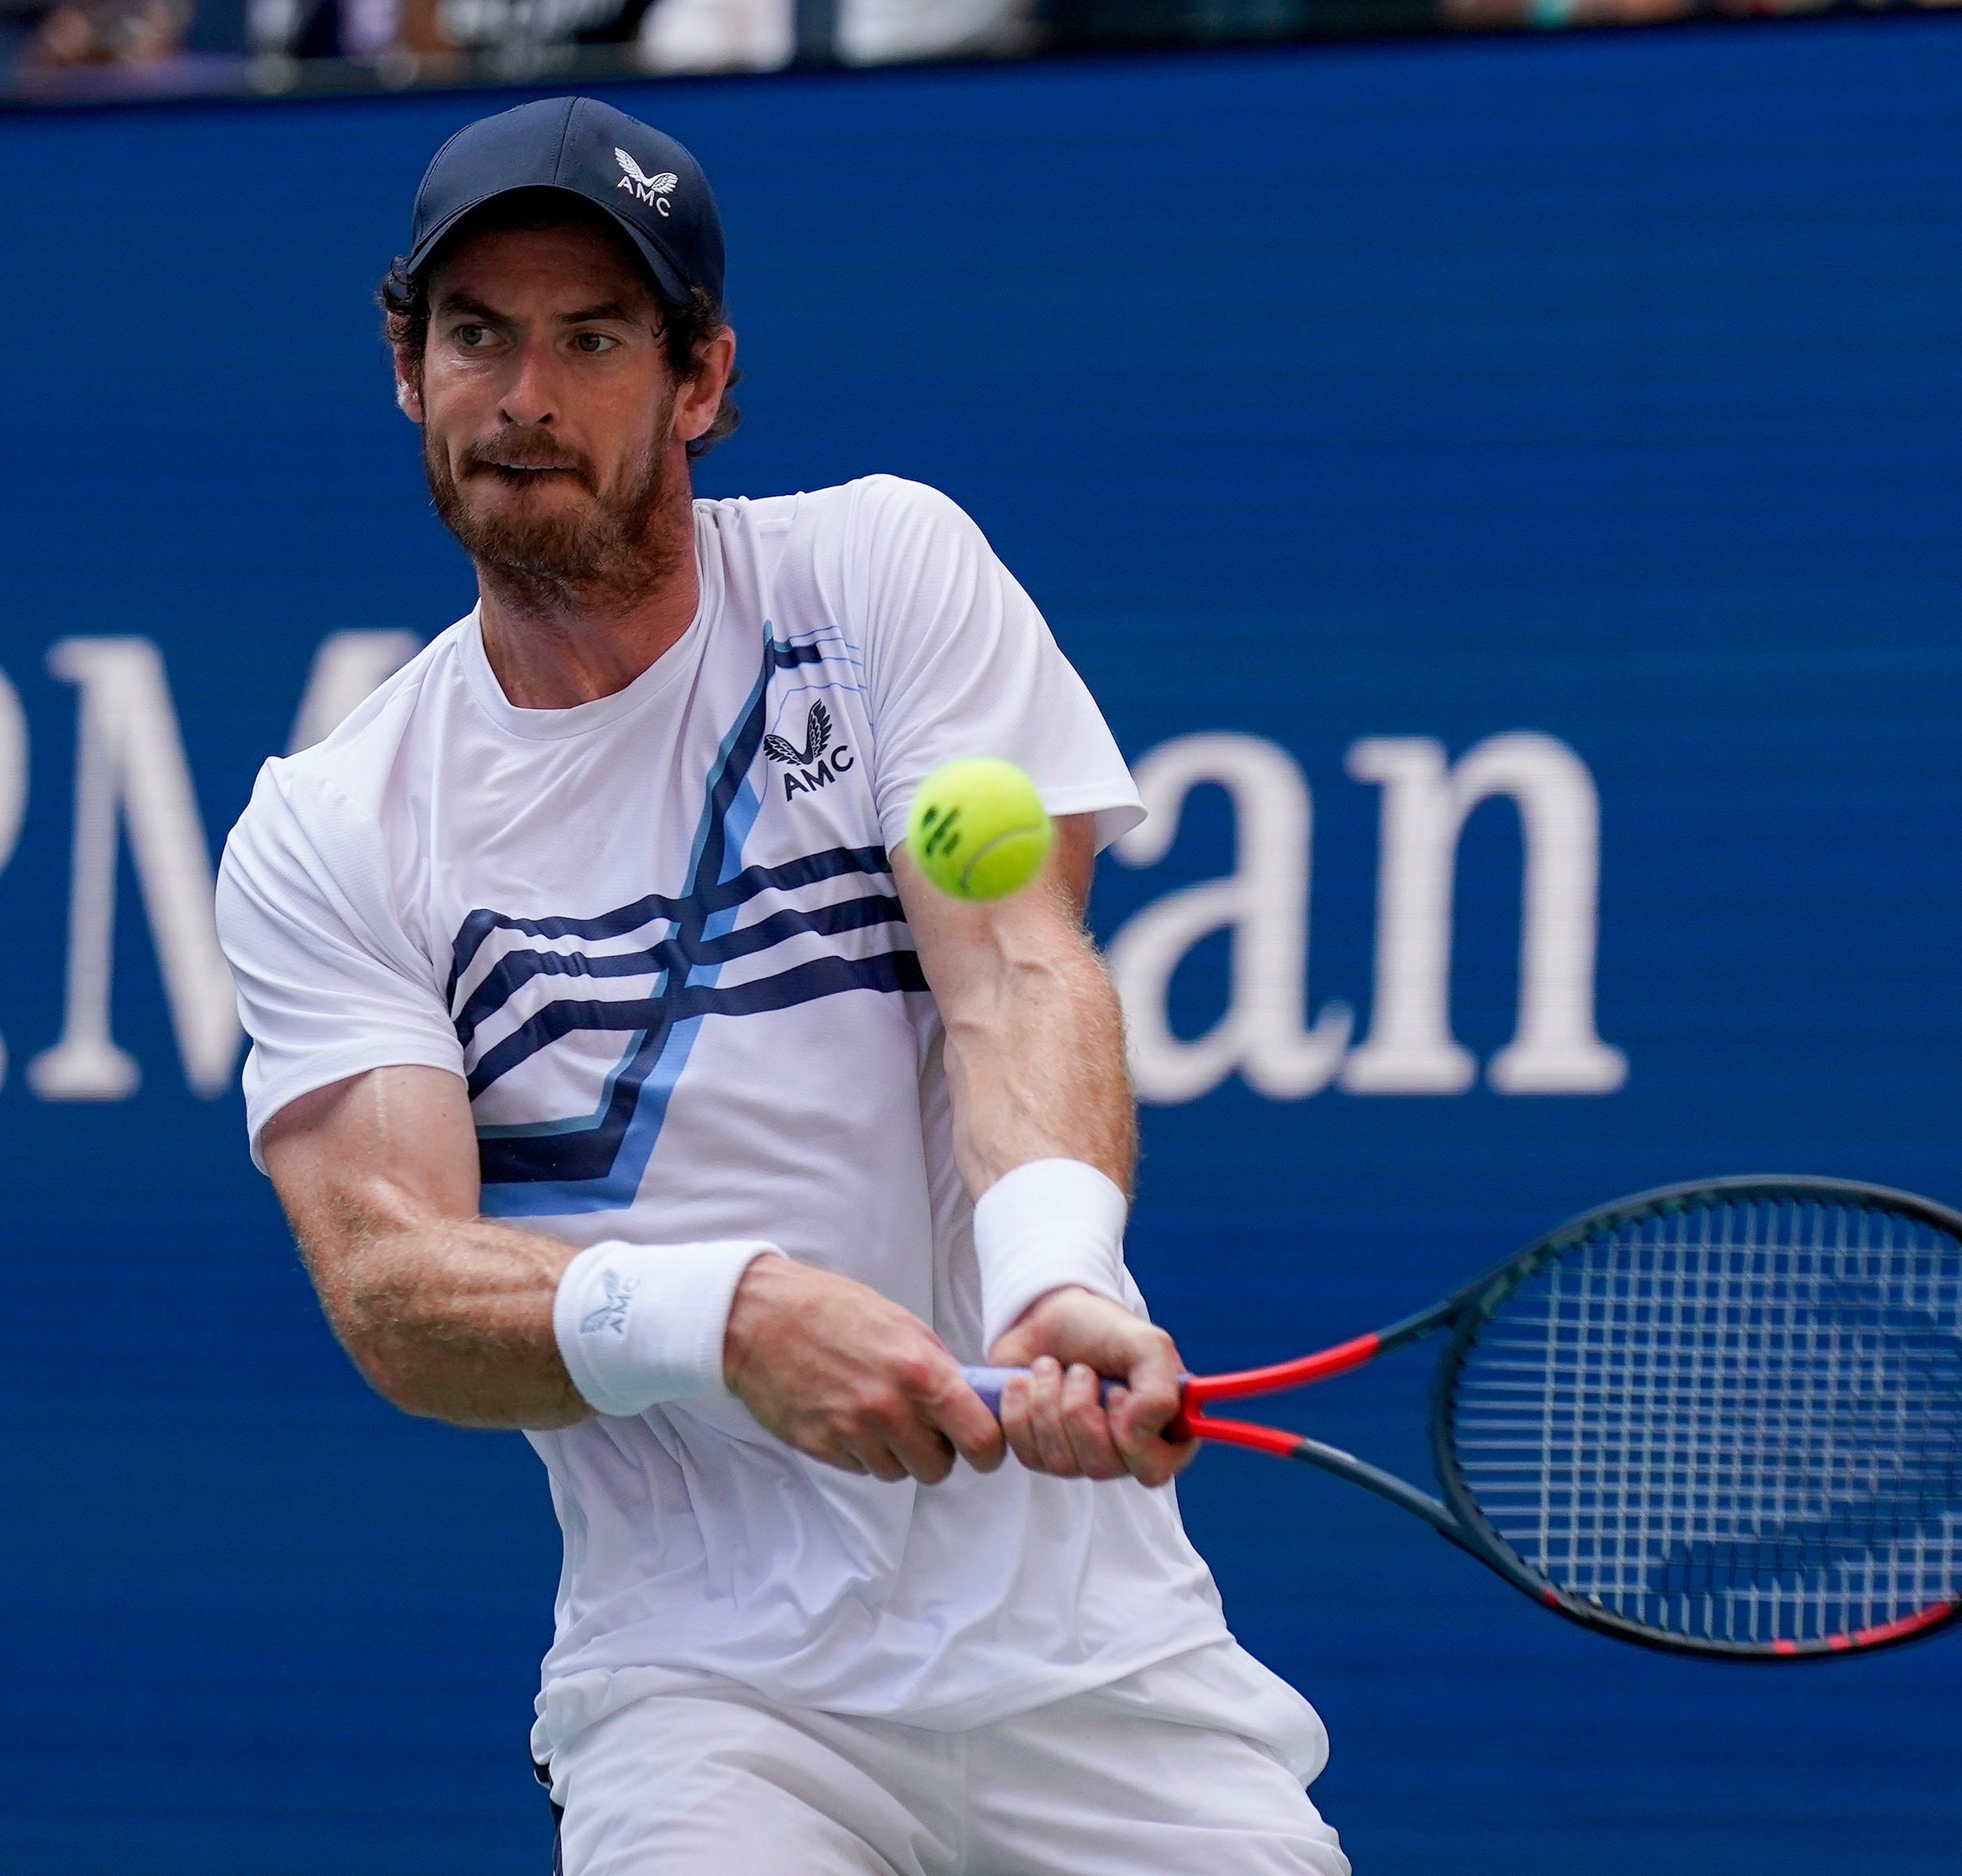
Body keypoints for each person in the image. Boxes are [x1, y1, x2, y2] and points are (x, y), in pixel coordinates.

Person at [215, 94, 1347, 1876]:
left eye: (591, 339)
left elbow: (1014, 964)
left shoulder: (879, 572)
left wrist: (1054, 1280)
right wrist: (724, 1313)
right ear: (405, 367)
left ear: (701, 380)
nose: (524, 397)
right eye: (477, 335)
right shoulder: (332, 823)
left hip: (1095, 1667)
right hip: (706, 1697)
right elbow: (391, 1280)